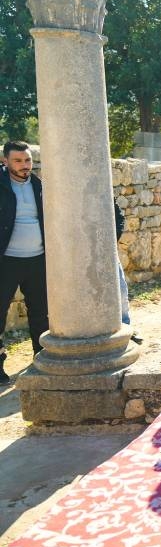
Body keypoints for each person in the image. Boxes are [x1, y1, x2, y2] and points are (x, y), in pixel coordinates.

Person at [0, 141, 49, 384]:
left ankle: (41, 358)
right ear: (5, 161)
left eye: (27, 160)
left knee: (41, 312)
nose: (24, 165)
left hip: (38, 260)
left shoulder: (40, 186)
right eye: (18, 161)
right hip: (6, 261)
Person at [114, 201, 142, 345]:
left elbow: (118, 216)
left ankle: (126, 328)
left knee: (121, 291)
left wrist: (112, 239)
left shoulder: (99, 186)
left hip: (107, 248)